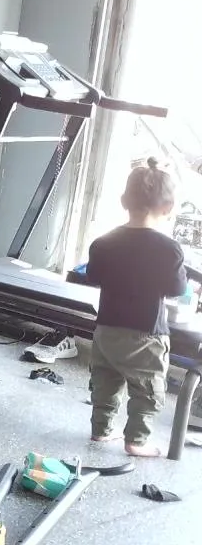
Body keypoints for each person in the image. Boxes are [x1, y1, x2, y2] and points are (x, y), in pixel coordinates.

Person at [85, 157, 188, 458]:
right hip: (146, 333)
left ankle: (101, 430)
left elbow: (93, 276)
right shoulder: (169, 249)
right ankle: (137, 441)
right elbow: (176, 289)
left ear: (123, 201)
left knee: (104, 381)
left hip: (106, 328)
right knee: (147, 389)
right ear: (168, 208)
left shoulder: (102, 242)